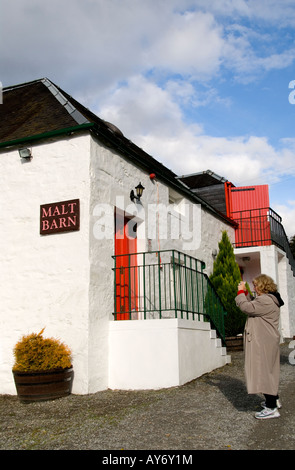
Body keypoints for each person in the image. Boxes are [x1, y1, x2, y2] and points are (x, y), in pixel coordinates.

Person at [235, 274, 284, 419]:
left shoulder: (266, 301)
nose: (254, 288)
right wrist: (245, 292)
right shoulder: (268, 299)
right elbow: (253, 304)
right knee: (267, 371)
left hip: (263, 342)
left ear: (263, 286)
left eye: (256, 286)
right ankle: (273, 400)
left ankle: (271, 408)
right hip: (265, 340)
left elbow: (247, 307)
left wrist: (239, 293)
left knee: (264, 372)